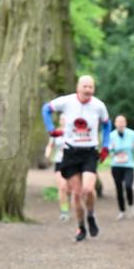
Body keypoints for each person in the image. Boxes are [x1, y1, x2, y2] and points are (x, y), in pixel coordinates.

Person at [42, 75, 111, 242]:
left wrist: (106, 146)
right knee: (77, 193)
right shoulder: (66, 101)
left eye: (91, 87)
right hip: (70, 152)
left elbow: (107, 124)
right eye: (85, 86)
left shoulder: (99, 105)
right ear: (78, 87)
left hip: (89, 152)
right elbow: (46, 109)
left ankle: (91, 215)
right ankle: (81, 226)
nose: (88, 90)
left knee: (88, 189)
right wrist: (51, 129)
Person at [109, 114, 134, 220]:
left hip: (129, 165)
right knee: (119, 188)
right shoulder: (111, 135)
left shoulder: (132, 134)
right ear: (115, 124)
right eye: (118, 122)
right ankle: (122, 211)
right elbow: (107, 149)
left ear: (125, 123)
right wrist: (111, 148)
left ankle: (131, 206)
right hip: (116, 165)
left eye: (122, 122)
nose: (120, 124)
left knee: (128, 186)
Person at [44, 116, 70, 221]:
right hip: (59, 162)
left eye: (65, 119)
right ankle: (64, 211)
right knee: (62, 187)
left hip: (73, 162)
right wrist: (47, 153)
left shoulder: (73, 132)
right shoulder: (55, 133)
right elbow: (50, 145)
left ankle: (77, 206)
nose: (63, 121)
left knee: (72, 189)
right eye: (62, 119)